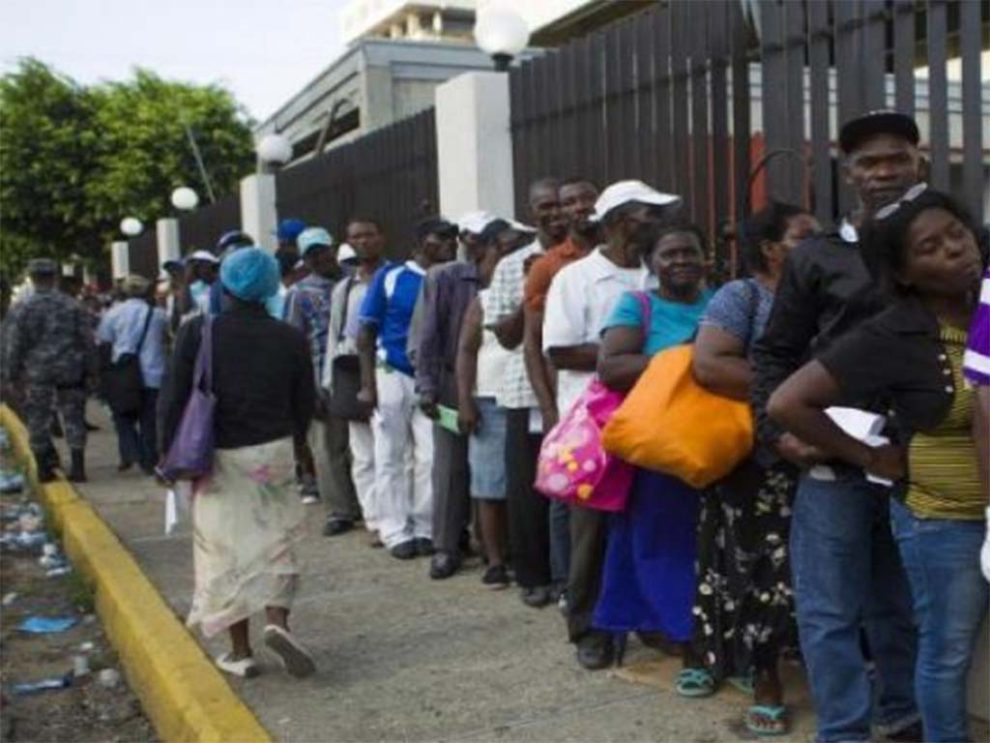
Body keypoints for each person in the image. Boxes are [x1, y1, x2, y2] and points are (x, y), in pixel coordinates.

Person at [768, 188, 986, 742]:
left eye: (956, 234)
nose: (955, 251)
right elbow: (787, 402)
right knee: (946, 652)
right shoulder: (892, 333)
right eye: (930, 248)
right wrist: (868, 456)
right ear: (905, 272)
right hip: (944, 521)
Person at [751, 110, 923, 743]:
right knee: (828, 610)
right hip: (833, 454)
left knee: (901, 603)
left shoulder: (951, 237)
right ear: (848, 172)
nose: (883, 171)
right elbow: (774, 352)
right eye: (869, 162)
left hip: (921, 454)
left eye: (895, 158)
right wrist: (780, 435)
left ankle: (903, 713)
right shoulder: (818, 255)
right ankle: (845, 730)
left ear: (918, 161)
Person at [682, 204, 820, 735]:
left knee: (804, 570)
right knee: (758, 568)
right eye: (803, 236)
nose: (817, 243)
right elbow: (710, 362)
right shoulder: (740, 296)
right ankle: (764, 681)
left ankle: (784, 660)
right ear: (770, 247)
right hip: (755, 457)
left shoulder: (822, 293)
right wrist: (796, 394)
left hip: (821, 447)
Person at [160, 247, 316, 679]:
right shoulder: (289, 337)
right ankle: (278, 622)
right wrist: (297, 445)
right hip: (273, 452)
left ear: (224, 284)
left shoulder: (198, 332)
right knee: (277, 542)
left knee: (223, 552)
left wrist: (166, 455)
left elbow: (173, 398)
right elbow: (304, 401)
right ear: (269, 285)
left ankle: (240, 651)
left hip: (216, 457)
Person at [583, 214, 708, 675]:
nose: (680, 260)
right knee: (658, 538)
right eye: (669, 254)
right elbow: (612, 367)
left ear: (704, 257)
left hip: (716, 441)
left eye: (689, 251)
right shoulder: (636, 305)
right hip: (659, 442)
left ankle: (693, 621)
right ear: (651, 263)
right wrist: (687, 357)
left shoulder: (722, 302)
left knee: (703, 537)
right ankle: (673, 628)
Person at [483, 178, 567, 608]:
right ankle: (533, 575)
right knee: (529, 489)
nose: (554, 213)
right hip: (526, 394)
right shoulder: (510, 263)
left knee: (572, 490)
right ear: (531, 212)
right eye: (545, 207)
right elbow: (506, 337)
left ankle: (568, 574)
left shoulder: (586, 257)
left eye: (560, 205)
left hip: (573, 390)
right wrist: (531, 285)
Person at [356, 219, 456, 559]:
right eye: (440, 238)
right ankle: (394, 529)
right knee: (390, 455)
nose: (449, 243)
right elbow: (366, 333)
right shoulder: (392, 276)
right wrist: (368, 386)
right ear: (420, 242)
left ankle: (426, 526)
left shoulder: (450, 276)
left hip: (431, 378)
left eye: (452, 238)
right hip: (392, 371)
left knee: (430, 455)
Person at [523, 177, 601, 603]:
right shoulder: (549, 266)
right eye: (570, 202)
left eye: (586, 198)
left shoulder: (630, 258)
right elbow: (535, 346)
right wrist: (549, 408)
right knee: (567, 496)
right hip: (568, 400)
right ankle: (567, 583)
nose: (579, 207)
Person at [416, 216, 492, 579]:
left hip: (494, 379)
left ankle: (489, 544)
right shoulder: (445, 277)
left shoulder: (507, 271)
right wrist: (427, 387)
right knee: (450, 466)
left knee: (491, 467)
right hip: (450, 379)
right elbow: (427, 336)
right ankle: (446, 546)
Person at [455, 222, 519, 589]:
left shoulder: (538, 292)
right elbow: (465, 350)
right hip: (490, 400)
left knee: (524, 486)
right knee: (490, 485)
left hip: (526, 401)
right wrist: (465, 401)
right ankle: (494, 560)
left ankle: (521, 554)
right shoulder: (485, 300)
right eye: (503, 253)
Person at [284, 226, 359, 520]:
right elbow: (293, 343)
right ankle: (340, 510)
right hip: (321, 380)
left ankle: (366, 506)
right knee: (329, 448)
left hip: (354, 373)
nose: (319, 258)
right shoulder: (299, 294)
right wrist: (306, 390)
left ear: (333, 248)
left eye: (322, 250)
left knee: (360, 448)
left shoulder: (354, 280)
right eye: (311, 255)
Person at [322, 218, 387, 546]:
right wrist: (328, 380)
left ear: (380, 238)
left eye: (368, 235)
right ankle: (374, 519)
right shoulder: (344, 289)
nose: (362, 242)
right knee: (362, 454)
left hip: (387, 370)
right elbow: (334, 335)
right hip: (349, 372)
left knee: (392, 450)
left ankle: (394, 519)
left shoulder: (393, 278)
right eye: (355, 237)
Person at [1, 259, 96, 482]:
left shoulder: (22, 308)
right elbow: (87, 340)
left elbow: (14, 344)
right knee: (74, 417)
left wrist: (11, 374)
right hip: (70, 369)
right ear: (54, 277)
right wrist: (93, 370)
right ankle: (79, 466)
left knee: (38, 419)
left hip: (37, 372)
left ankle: (44, 468)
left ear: (32, 278)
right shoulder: (71, 305)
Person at [97, 274, 168, 475]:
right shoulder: (158, 314)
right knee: (149, 420)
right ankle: (149, 459)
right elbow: (167, 337)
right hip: (153, 374)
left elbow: (104, 342)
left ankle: (133, 451)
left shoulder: (112, 314)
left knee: (122, 417)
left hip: (123, 374)